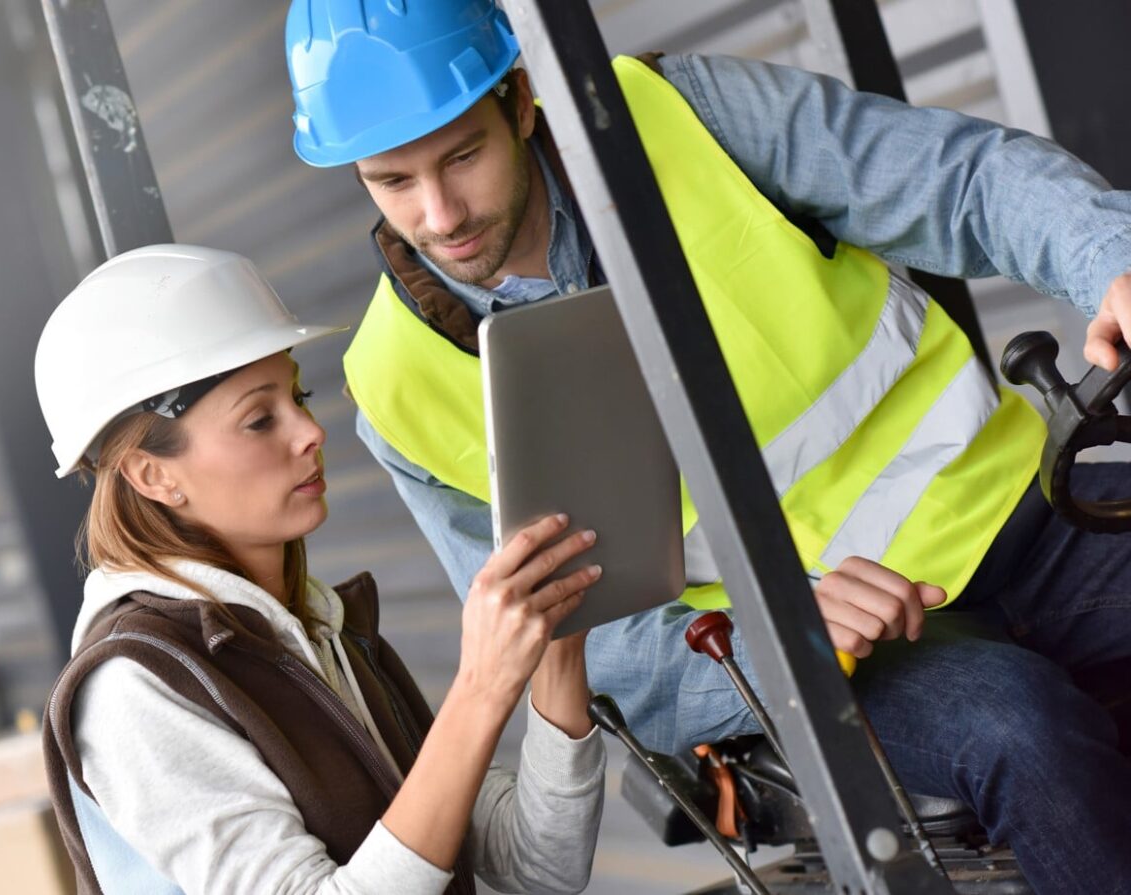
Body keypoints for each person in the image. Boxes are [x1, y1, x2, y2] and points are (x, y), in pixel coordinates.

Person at [283, 1, 1131, 891]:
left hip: (1010, 514)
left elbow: (956, 178)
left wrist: (1109, 257)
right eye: (392, 180)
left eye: (463, 156)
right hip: (831, 663)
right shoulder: (395, 390)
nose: (440, 213)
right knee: (1017, 730)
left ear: (522, 102)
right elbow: (587, 645)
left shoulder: (682, 115)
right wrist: (782, 640)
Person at [34, 244, 606, 895]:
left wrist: (558, 649)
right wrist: (480, 686)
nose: (310, 431)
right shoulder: (135, 685)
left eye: (297, 396)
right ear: (152, 475)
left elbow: (539, 864)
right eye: (259, 419)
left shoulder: (312, 629)